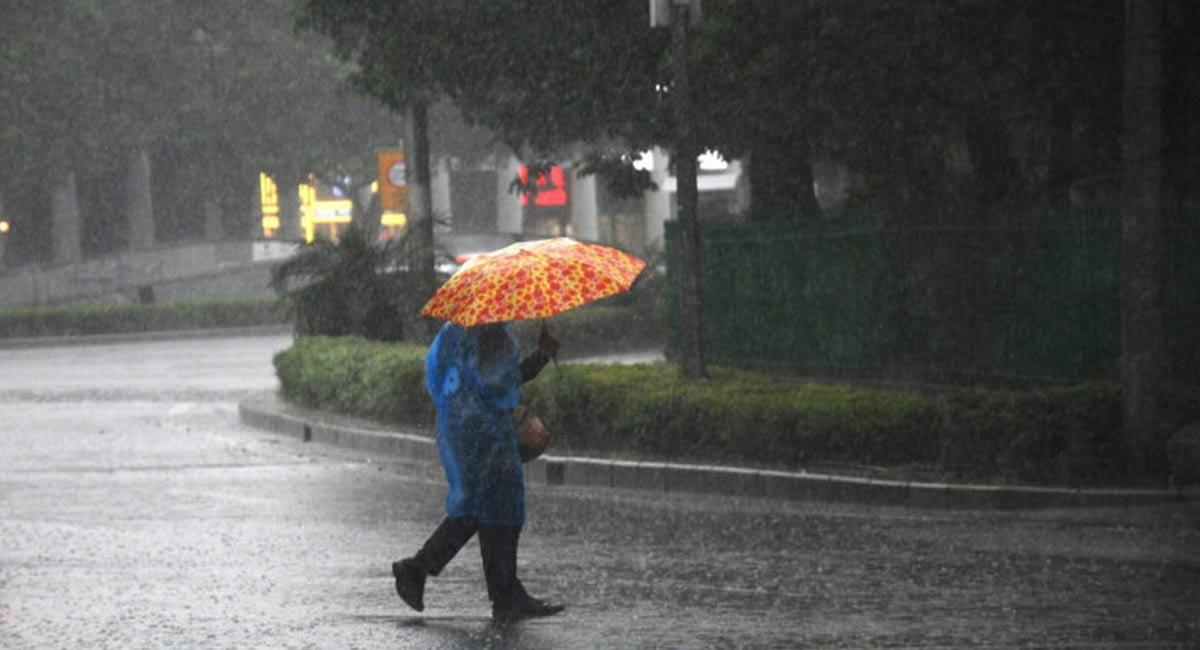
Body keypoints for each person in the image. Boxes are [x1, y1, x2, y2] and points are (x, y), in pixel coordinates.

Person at [392, 320, 565, 622]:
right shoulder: (488, 331)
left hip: (463, 427)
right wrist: (542, 355)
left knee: (479, 510)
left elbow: (487, 379)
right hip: (482, 431)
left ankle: (419, 570)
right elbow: (501, 382)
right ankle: (505, 595)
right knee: (499, 510)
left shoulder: (461, 330)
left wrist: (539, 356)